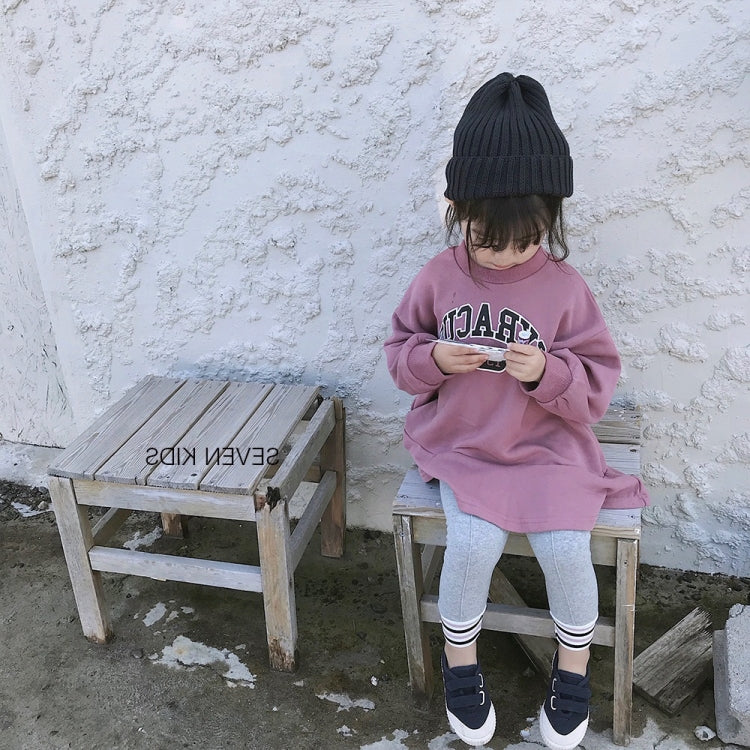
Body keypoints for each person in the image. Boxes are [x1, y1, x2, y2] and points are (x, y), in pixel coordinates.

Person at [384, 72, 649, 749]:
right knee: (472, 544)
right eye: (485, 237)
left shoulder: (564, 288)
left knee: (567, 550)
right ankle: (461, 664)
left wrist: (548, 372)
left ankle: (574, 672)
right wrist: (435, 359)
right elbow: (400, 355)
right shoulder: (439, 275)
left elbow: (597, 384)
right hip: (467, 446)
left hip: (548, 449)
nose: (504, 255)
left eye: (525, 240)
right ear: (456, 209)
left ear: (550, 221)